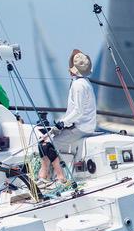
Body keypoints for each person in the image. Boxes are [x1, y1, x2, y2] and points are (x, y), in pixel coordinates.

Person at [38, 49, 96, 185]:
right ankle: (43, 175)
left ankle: (60, 177)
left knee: (48, 145)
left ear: (73, 70)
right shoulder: (85, 82)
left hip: (81, 128)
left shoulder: (78, 85)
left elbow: (78, 111)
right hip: (81, 125)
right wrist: (63, 123)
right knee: (44, 140)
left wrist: (62, 123)